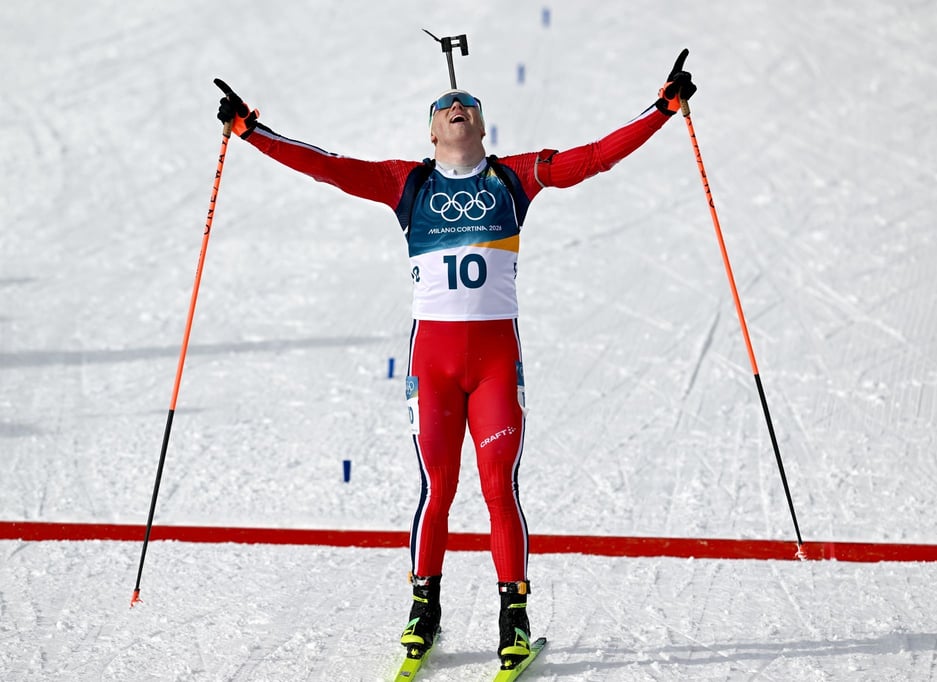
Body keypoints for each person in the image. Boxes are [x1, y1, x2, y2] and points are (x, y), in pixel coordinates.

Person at [216, 48, 696, 669]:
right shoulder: (405, 184)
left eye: (468, 104)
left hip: (495, 365)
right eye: (445, 107)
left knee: (499, 487)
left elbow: (593, 159)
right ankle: (424, 609)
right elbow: (326, 167)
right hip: (434, 367)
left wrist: (661, 109)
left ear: (482, 125)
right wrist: (252, 132)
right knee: (437, 487)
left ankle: (513, 620)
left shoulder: (514, 177)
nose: (457, 107)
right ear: (431, 131)